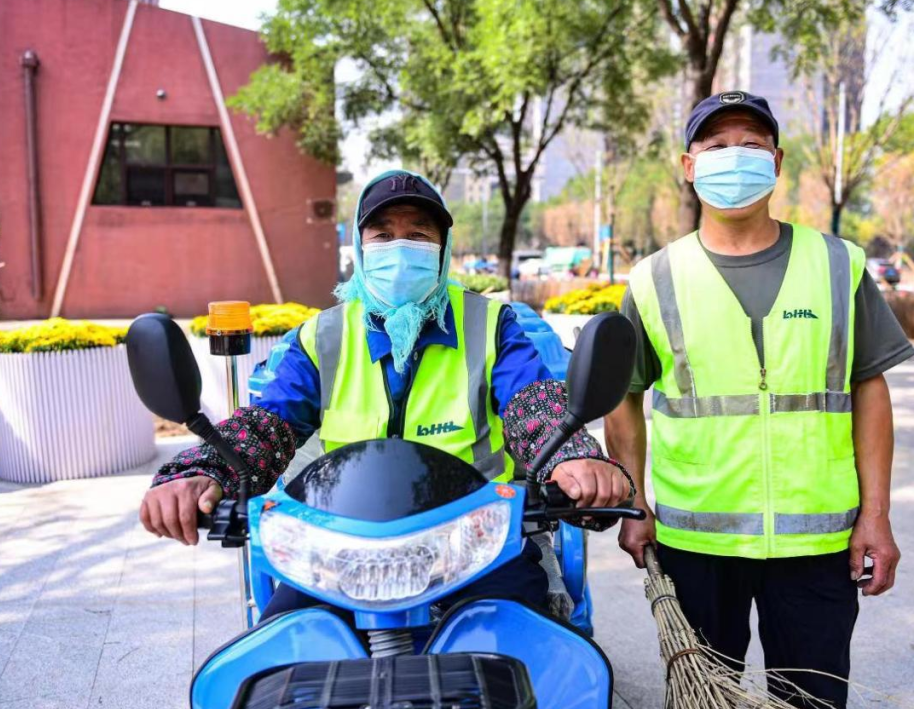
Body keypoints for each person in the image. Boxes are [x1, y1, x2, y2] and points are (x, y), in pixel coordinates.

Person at [140, 169, 632, 618]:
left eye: (418, 235)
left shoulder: (491, 324)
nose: (400, 249)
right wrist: (203, 468)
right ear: (359, 247)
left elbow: (534, 404)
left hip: (473, 539)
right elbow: (268, 421)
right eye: (383, 235)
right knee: (280, 662)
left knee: (534, 668)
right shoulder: (324, 336)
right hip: (341, 546)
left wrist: (572, 457)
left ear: (442, 250)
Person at [605, 92, 914, 709]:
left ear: (776, 162)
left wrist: (876, 516)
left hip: (818, 545)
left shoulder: (837, 265)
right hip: (697, 546)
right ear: (689, 166)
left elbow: (869, 390)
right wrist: (635, 505)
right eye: (716, 146)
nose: (733, 157)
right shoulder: (654, 279)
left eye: (749, 143)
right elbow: (622, 399)